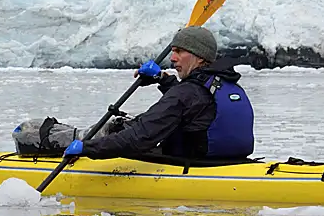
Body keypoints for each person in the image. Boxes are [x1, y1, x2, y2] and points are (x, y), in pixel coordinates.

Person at [65, 25, 254, 162]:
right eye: (172, 51)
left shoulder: (185, 94)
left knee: (112, 130)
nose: (172, 59)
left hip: (189, 163)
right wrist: (162, 79)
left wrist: (87, 148)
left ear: (199, 56)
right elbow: (194, 105)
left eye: (179, 51)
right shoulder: (227, 84)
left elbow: (139, 138)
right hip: (226, 160)